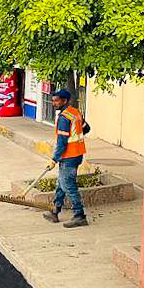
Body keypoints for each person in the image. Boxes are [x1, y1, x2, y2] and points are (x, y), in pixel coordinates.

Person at [42, 89, 92, 228]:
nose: (53, 103)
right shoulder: (75, 112)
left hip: (69, 156)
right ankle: (55, 211)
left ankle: (80, 216)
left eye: (56, 101)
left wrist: (54, 159)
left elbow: (62, 142)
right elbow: (87, 128)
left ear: (65, 101)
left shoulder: (64, 118)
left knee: (68, 186)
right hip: (77, 154)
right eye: (53, 100)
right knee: (61, 184)